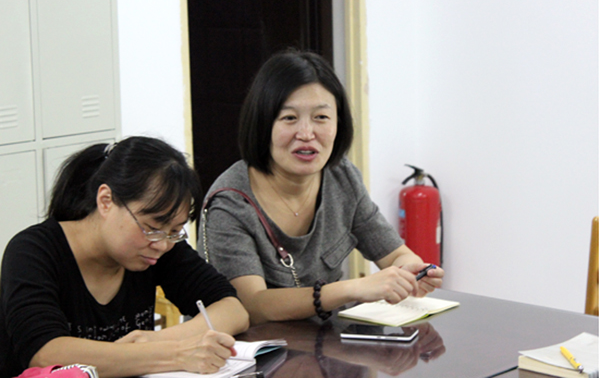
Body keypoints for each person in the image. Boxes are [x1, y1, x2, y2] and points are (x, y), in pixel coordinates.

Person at [199, 50, 444, 326]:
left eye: (321, 117)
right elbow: (253, 306)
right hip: (255, 348)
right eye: (289, 118)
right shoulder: (229, 203)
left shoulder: (342, 178)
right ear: (262, 124)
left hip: (323, 342)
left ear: (339, 124)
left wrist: (410, 272)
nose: (306, 133)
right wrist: (352, 288)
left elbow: (395, 254)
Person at [0, 136, 250, 378]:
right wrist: (174, 353)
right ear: (106, 201)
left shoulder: (159, 246)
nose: (162, 244)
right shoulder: (33, 251)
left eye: (175, 231)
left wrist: (156, 340)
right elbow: (45, 353)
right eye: (151, 227)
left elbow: (232, 310)